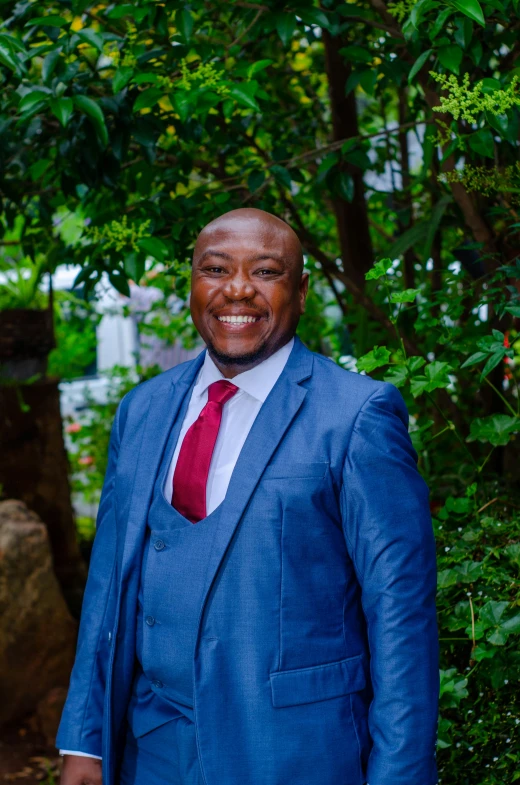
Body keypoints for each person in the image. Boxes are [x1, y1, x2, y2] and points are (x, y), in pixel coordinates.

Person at [57, 208, 439, 785]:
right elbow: (108, 588)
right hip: (151, 753)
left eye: (265, 271)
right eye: (215, 269)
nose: (237, 289)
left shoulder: (356, 416)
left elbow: (401, 614)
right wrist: (84, 740)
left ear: (302, 291)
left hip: (292, 754)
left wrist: (401, 776)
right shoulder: (142, 409)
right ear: (192, 284)